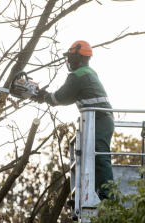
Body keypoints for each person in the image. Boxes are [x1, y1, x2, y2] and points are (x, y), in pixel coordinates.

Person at [32, 40, 114, 200]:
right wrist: (46, 96)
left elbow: (61, 97)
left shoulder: (78, 75)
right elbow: (65, 97)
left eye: (71, 57)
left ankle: (108, 198)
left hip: (99, 121)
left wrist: (44, 96)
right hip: (99, 121)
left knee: (100, 158)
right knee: (95, 158)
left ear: (79, 57)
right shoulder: (87, 72)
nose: (68, 60)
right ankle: (102, 194)